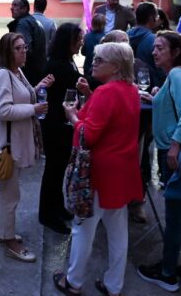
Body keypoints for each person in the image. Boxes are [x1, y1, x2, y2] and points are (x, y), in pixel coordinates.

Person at [53, 43, 142, 296]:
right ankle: (114, 285)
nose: (93, 62)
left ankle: (73, 282)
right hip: (122, 170)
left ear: (115, 67)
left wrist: (72, 116)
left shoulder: (106, 93)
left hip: (98, 172)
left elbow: (88, 135)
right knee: (118, 231)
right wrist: (88, 98)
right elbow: (107, 119)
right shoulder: (131, 90)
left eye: (99, 59)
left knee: (83, 227)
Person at [137, 31, 181, 293]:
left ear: (176, 52)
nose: (154, 52)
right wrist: (156, 98)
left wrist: (175, 144)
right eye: (154, 48)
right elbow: (178, 106)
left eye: (160, 48)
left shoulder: (176, 74)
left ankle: (167, 274)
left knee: (176, 219)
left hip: (176, 153)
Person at [0, 33, 53, 263]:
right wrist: (34, 109)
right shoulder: (3, 74)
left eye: (24, 47)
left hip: (14, 141)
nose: (24, 51)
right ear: (7, 51)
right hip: (8, 144)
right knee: (10, 194)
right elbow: (3, 110)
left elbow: (21, 97)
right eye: (18, 48)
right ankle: (10, 242)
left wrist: (38, 87)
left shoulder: (16, 71)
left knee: (4, 188)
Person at [39, 23, 85, 234]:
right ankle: (47, 214)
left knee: (58, 170)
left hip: (60, 122)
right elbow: (80, 83)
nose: (81, 43)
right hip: (55, 124)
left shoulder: (66, 61)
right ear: (68, 42)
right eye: (78, 39)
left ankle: (57, 207)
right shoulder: (60, 66)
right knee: (54, 170)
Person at [8, 0, 48, 85]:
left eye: (15, 5)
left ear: (24, 9)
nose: (11, 8)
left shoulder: (23, 24)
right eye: (12, 5)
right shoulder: (32, 20)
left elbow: (23, 49)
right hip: (39, 69)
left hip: (29, 72)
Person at [128, 2, 164, 88]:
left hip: (129, 86)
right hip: (152, 88)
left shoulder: (124, 36)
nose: (157, 19)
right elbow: (162, 69)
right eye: (157, 16)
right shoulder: (155, 41)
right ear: (152, 18)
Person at [81, 13, 106, 77]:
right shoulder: (106, 37)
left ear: (92, 24)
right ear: (104, 24)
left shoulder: (87, 36)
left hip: (88, 66)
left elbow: (83, 52)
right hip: (101, 67)